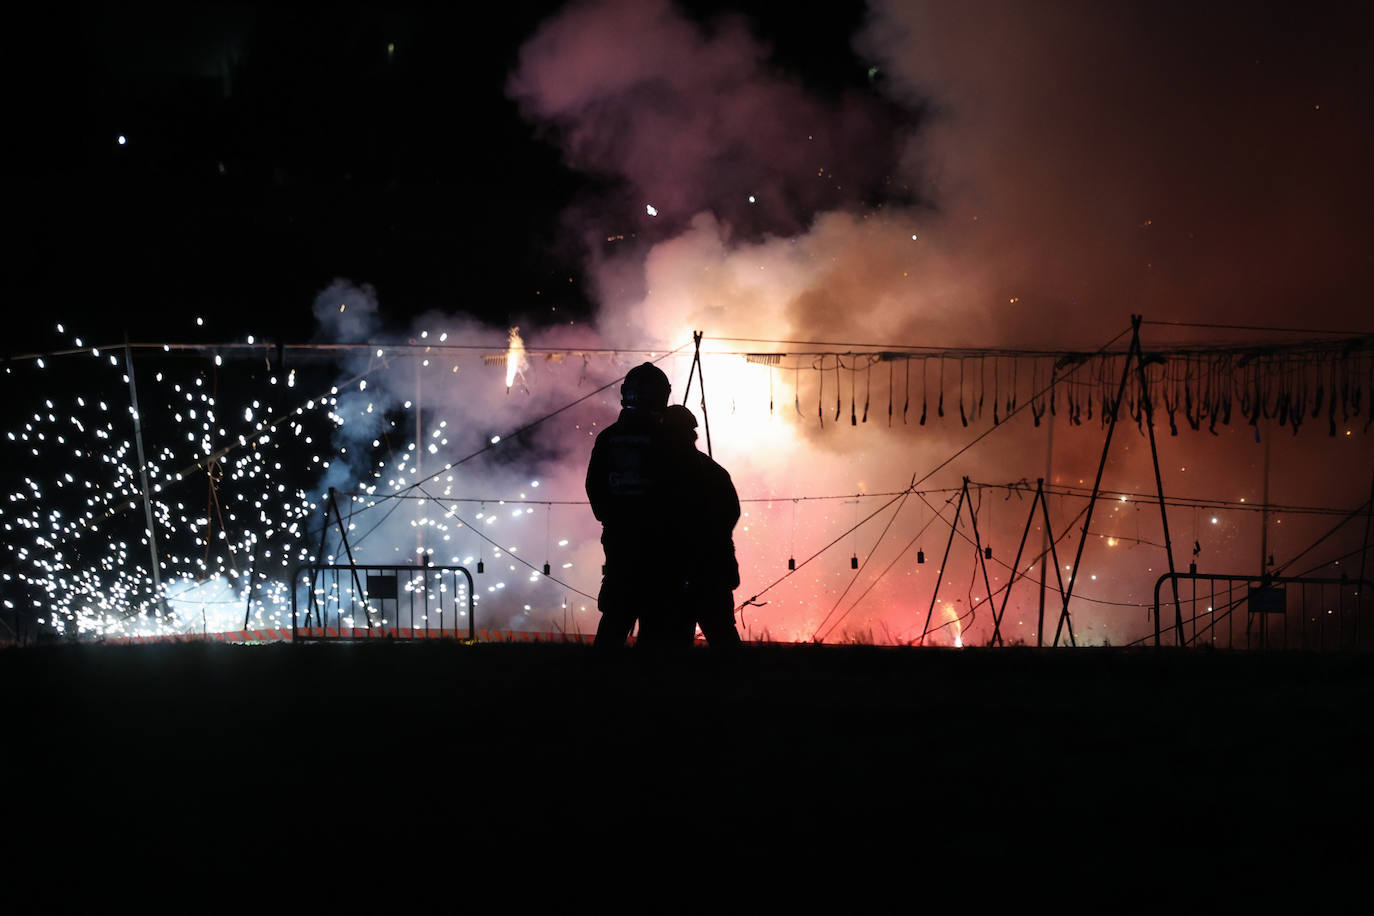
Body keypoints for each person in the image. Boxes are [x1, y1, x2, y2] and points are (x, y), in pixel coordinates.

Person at [585, 362, 675, 648]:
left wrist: (610, 517)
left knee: (615, 617)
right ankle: (645, 687)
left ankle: (599, 684)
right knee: (654, 623)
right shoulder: (667, 439)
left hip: (619, 541)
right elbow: (681, 487)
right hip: (658, 545)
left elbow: (594, 486)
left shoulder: (608, 438)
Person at [661, 404, 742, 648]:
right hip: (713, 569)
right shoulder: (715, 472)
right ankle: (735, 684)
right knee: (723, 639)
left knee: (673, 644)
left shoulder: (662, 473)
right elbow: (731, 514)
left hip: (676, 571)